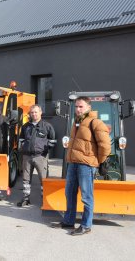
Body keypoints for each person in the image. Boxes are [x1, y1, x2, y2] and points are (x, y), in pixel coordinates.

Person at [51, 96, 110, 236]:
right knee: (69, 193)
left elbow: (105, 146)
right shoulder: (76, 122)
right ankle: (69, 221)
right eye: (76, 106)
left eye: (81, 106)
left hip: (86, 165)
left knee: (86, 196)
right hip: (73, 163)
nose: (77, 109)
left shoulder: (96, 123)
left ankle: (86, 225)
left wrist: (98, 162)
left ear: (88, 107)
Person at [17, 104, 55, 207]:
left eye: (36, 112)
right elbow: (21, 140)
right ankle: (26, 199)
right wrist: (24, 149)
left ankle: (45, 200)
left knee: (43, 179)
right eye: (32, 112)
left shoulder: (47, 126)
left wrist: (45, 151)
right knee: (26, 179)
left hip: (40, 157)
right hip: (27, 157)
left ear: (40, 112)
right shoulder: (25, 127)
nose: (34, 114)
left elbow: (52, 141)